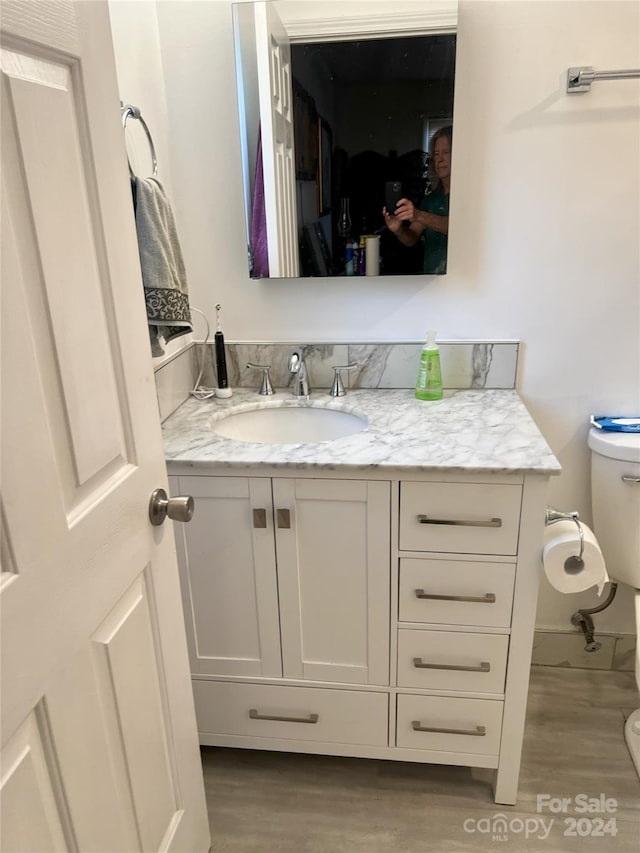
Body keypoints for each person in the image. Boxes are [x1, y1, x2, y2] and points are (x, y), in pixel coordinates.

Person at [382, 126, 452, 274]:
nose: (440, 159)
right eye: (436, 153)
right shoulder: (430, 200)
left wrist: (418, 214)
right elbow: (412, 238)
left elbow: (458, 228)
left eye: (446, 152)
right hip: (431, 280)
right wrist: (399, 230)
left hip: (459, 282)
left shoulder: (467, 196)